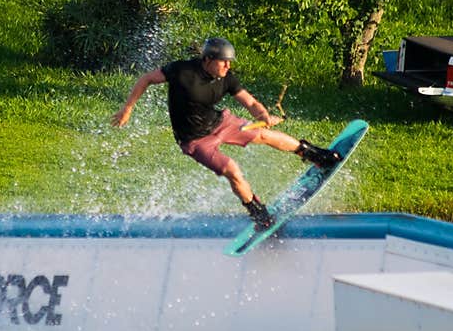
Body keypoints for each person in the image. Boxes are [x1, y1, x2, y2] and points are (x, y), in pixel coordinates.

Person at [110, 37, 341, 230]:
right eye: (224, 62)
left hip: (220, 122)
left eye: (230, 62)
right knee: (232, 170)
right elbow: (147, 78)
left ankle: (314, 155)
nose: (228, 67)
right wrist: (127, 109)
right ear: (208, 60)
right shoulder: (182, 71)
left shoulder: (226, 78)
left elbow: (249, 101)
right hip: (195, 140)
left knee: (264, 135)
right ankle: (257, 212)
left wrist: (262, 115)